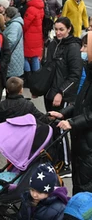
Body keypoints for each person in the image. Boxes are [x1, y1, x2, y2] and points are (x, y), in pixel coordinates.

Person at [48, 32, 92, 194]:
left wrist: (72, 123)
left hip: (88, 144)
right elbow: (81, 103)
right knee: (80, 182)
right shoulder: (89, 74)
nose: (82, 50)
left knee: (85, 188)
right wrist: (64, 113)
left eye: (85, 46)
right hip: (83, 142)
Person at [44, 17, 82, 111]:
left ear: (69, 29)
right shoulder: (53, 44)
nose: (58, 32)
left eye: (61, 29)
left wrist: (61, 92)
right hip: (49, 92)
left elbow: (75, 75)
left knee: (59, 122)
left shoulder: (73, 47)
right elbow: (47, 67)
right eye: (56, 29)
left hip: (63, 95)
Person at [23, 0, 44, 76]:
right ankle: (37, 76)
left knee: (23, 56)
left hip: (29, 36)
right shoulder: (40, 8)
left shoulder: (31, 9)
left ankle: (29, 75)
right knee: (35, 56)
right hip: (38, 36)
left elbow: (25, 24)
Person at [3, 6, 24, 79]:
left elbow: (11, 41)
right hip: (14, 57)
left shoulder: (14, 25)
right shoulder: (15, 24)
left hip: (12, 59)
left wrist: (3, 51)